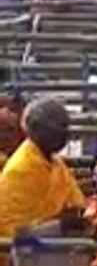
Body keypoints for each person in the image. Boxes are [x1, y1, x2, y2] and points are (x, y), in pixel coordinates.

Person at [0, 98, 86, 247]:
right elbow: (17, 235)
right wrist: (60, 224)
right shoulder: (20, 170)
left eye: (65, 127)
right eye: (58, 128)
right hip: (23, 260)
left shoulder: (56, 162)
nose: (64, 134)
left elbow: (77, 204)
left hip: (56, 252)